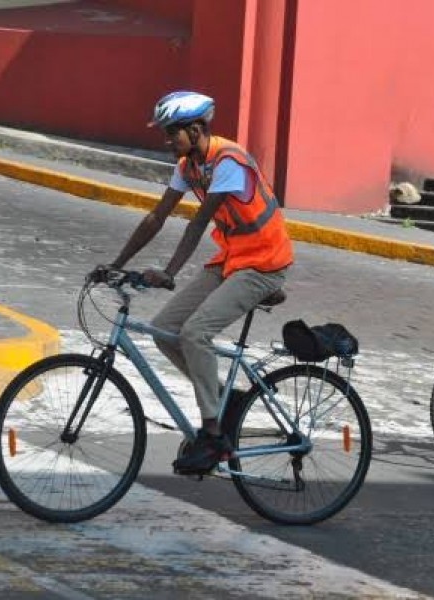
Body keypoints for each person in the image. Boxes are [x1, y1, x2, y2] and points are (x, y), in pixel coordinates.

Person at [92, 90, 293, 475]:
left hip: (264, 263)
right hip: (231, 259)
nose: (167, 140)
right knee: (165, 330)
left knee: (196, 332)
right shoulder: (188, 164)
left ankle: (214, 434)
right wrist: (116, 263)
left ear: (197, 128)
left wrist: (169, 272)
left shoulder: (228, 160)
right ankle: (224, 398)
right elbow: (157, 216)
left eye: (173, 133)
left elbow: (199, 221)